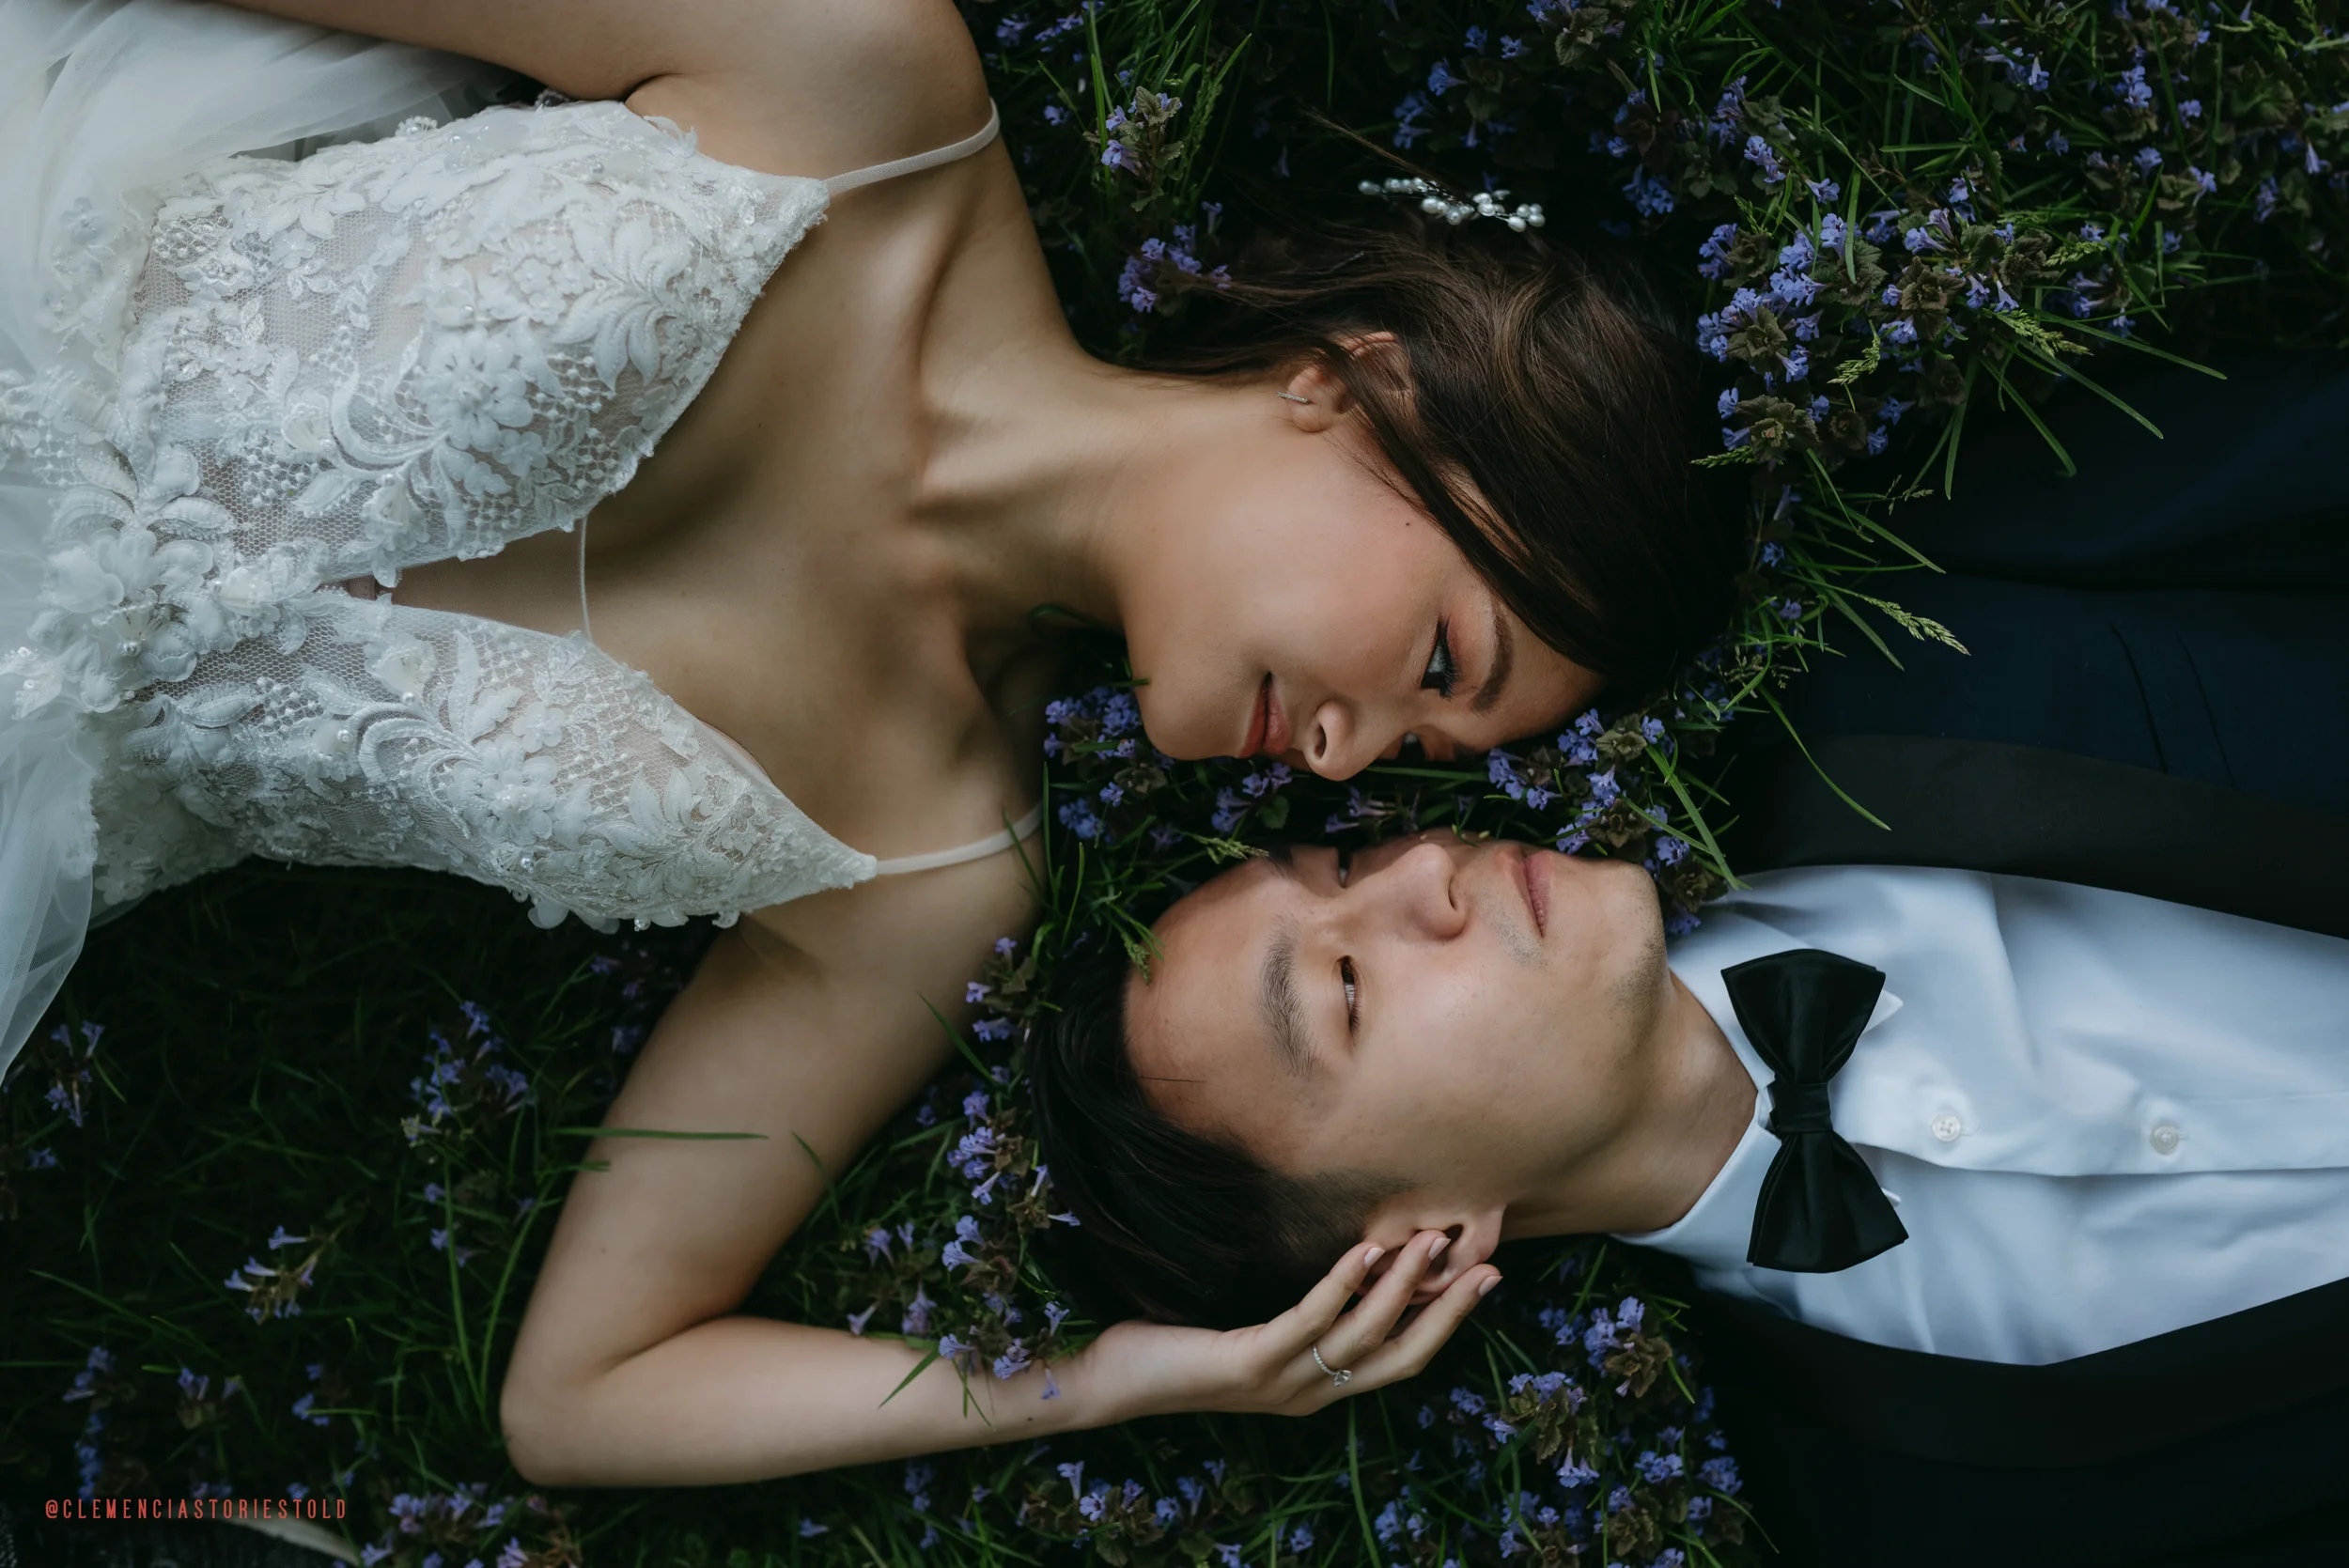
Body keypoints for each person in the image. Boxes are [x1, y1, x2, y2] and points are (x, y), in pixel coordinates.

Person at [0, 0, 1738, 1484]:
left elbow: (587, 1392)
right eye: (1445, 656)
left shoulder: (926, 866)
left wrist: (1131, 1377)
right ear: (1365, 387)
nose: (1353, 765)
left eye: (1429, 743)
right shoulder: (859, 79)